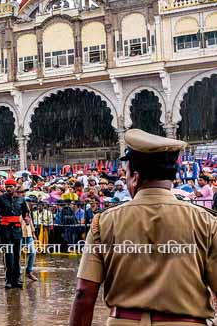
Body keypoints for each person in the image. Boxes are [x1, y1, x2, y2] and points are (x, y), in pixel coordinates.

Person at [69, 129, 217, 326]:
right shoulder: (207, 222)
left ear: (135, 177)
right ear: (171, 176)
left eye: (127, 174)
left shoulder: (104, 222)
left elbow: (84, 293)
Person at [0, 179, 29, 289]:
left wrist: (27, 218)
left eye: (11, 186)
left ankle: (17, 279)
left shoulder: (22, 200)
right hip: (5, 230)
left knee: (17, 255)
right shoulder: (1, 198)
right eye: (7, 186)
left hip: (17, 230)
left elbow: (25, 213)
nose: (8, 188)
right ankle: (8, 279)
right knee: (8, 255)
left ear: (15, 187)